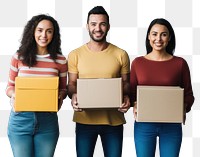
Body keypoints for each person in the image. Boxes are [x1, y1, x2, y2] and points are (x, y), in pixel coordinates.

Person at [67, 6, 130, 157]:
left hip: (113, 121)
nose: (98, 28)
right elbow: (71, 84)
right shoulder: (75, 54)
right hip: (84, 121)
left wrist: (127, 98)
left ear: (108, 26)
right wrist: (73, 96)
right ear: (87, 26)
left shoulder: (121, 54)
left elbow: (127, 84)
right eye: (93, 24)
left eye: (102, 24)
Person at [130, 18, 195, 157]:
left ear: (169, 37)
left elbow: (189, 95)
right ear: (148, 36)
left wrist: (183, 106)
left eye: (163, 34)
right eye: (154, 34)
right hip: (144, 125)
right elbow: (131, 94)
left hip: (171, 125)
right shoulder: (137, 63)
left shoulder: (180, 63)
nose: (158, 38)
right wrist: (134, 104)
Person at [5, 14, 67, 157]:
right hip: (20, 120)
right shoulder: (18, 57)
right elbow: (9, 87)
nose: (43, 35)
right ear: (32, 32)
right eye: (40, 30)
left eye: (49, 31)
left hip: (47, 121)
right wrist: (17, 95)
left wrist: (59, 95)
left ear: (54, 35)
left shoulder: (60, 60)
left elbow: (63, 89)